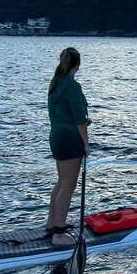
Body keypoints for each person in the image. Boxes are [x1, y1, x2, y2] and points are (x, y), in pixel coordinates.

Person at [46, 47, 90, 246]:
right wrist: (86, 143)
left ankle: (52, 223)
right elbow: (79, 119)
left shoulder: (56, 83)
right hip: (70, 138)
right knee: (69, 185)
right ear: (78, 64)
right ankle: (59, 233)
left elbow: (66, 113)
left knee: (61, 182)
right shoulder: (72, 86)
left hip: (57, 136)